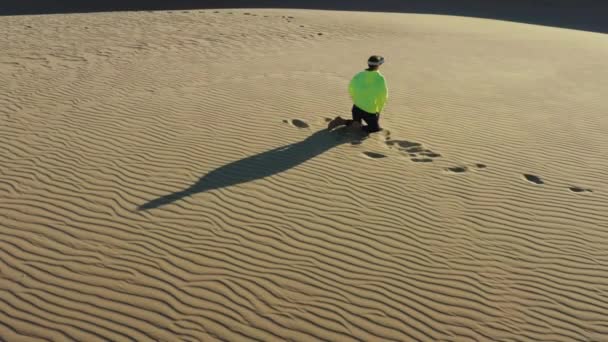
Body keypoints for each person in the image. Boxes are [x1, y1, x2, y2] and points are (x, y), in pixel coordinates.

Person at [328, 55, 388, 133]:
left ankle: (343, 122)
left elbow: (351, 88)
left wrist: (356, 100)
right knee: (374, 129)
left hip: (356, 108)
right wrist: (379, 110)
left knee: (356, 125)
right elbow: (383, 96)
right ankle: (343, 121)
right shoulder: (380, 78)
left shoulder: (359, 75)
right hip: (369, 111)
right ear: (378, 65)